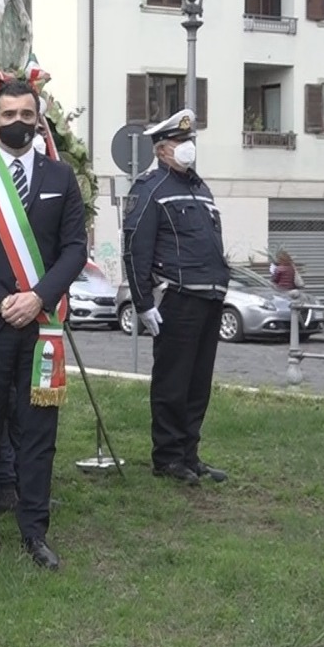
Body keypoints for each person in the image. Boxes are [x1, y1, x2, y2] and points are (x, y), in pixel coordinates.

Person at [0, 79, 87, 571]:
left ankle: (35, 532)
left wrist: (38, 298)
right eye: (9, 115)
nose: (19, 123)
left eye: (27, 114)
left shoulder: (60, 177)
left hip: (41, 326)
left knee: (38, 431)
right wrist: (4, 301)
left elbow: (74, 250)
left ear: (37, 117)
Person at [122, 108, 232, 487]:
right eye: (179, 143)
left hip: (210, 297)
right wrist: (143, 304)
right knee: (173, 381)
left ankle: (189, 454)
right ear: (161, 149)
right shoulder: (150, 188)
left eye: (190, 141)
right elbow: (135, 249)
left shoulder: (201, 189)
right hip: (177, 298)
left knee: (198, 383)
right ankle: (167, 457)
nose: (188, 148)